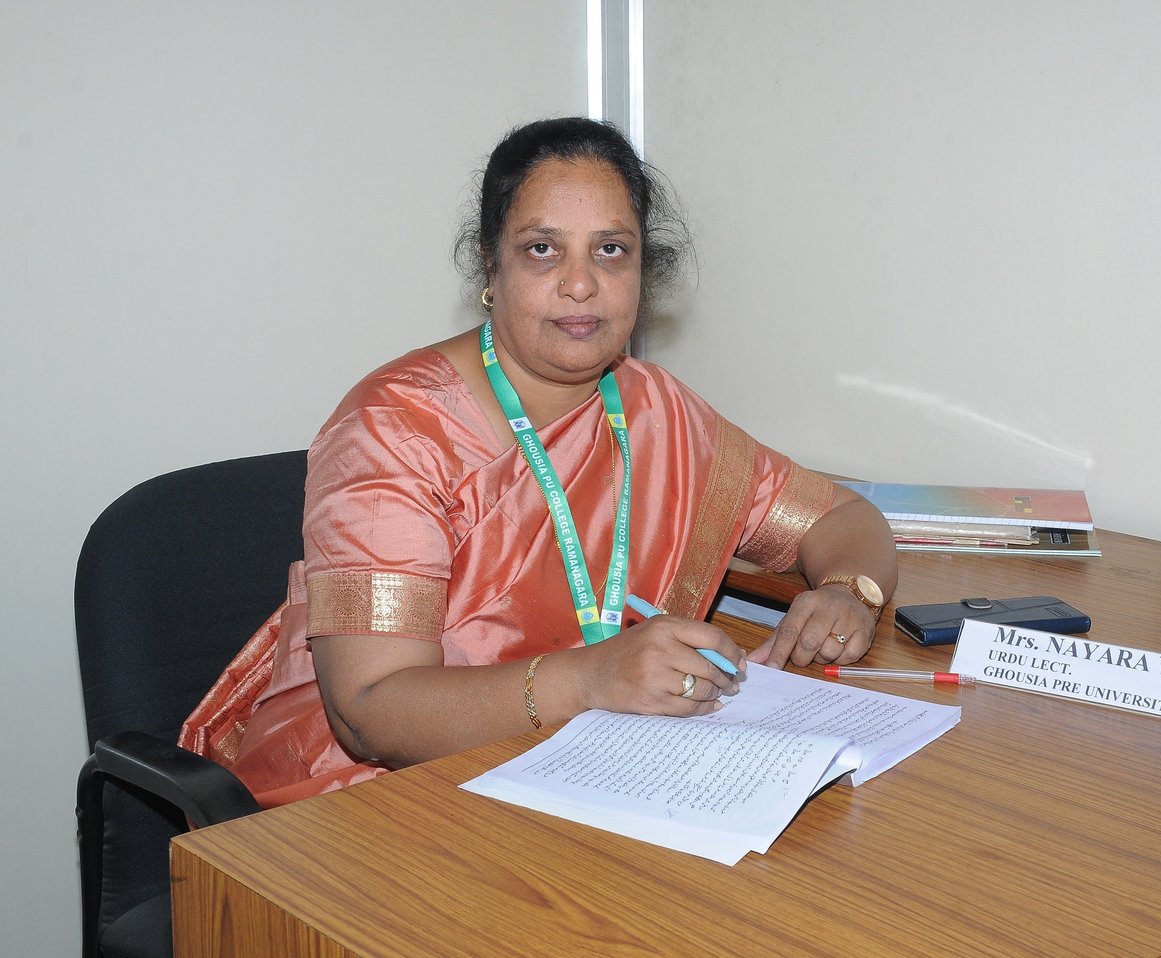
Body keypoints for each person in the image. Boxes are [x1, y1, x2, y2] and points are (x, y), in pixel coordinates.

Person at [182, 117, 897, 807]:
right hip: (374, 799)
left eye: (611, 249)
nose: (581, 284)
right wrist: (588, 680)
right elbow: (369, 711)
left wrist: (848, 592)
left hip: (587, 767)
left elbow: (843, 517)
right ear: (490, 265)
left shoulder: (660, 410)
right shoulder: (396, 428)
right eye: (543, 249)